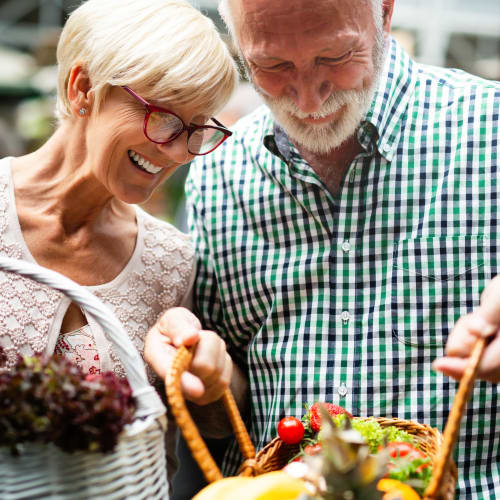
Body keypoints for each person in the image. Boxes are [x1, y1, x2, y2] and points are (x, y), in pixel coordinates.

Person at [145, 0, 500, 497]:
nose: (309, 97)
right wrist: (206, 376)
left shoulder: (490, 130)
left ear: (385, 12)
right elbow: (229, 407)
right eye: (273, 65)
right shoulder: (218, 173)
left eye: (336, 56)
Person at [0, 0, 237, 485]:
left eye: (195, 129)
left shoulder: (170, 261)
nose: (176, 152)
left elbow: (207, 426)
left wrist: (214, 380)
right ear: (83, 87)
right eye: (164, 116)